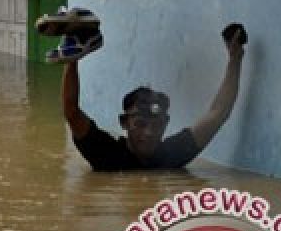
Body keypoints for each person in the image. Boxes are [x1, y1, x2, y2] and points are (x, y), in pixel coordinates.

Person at [61, 24, 247, 171]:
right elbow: (71, 110)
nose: (149, 133)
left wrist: (235, 58)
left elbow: (218, 113)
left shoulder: (171, 155)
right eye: (140, 124)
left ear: (166, 124)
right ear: (124, 123)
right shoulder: (106, 154)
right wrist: (72, 60)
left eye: (157, 125)